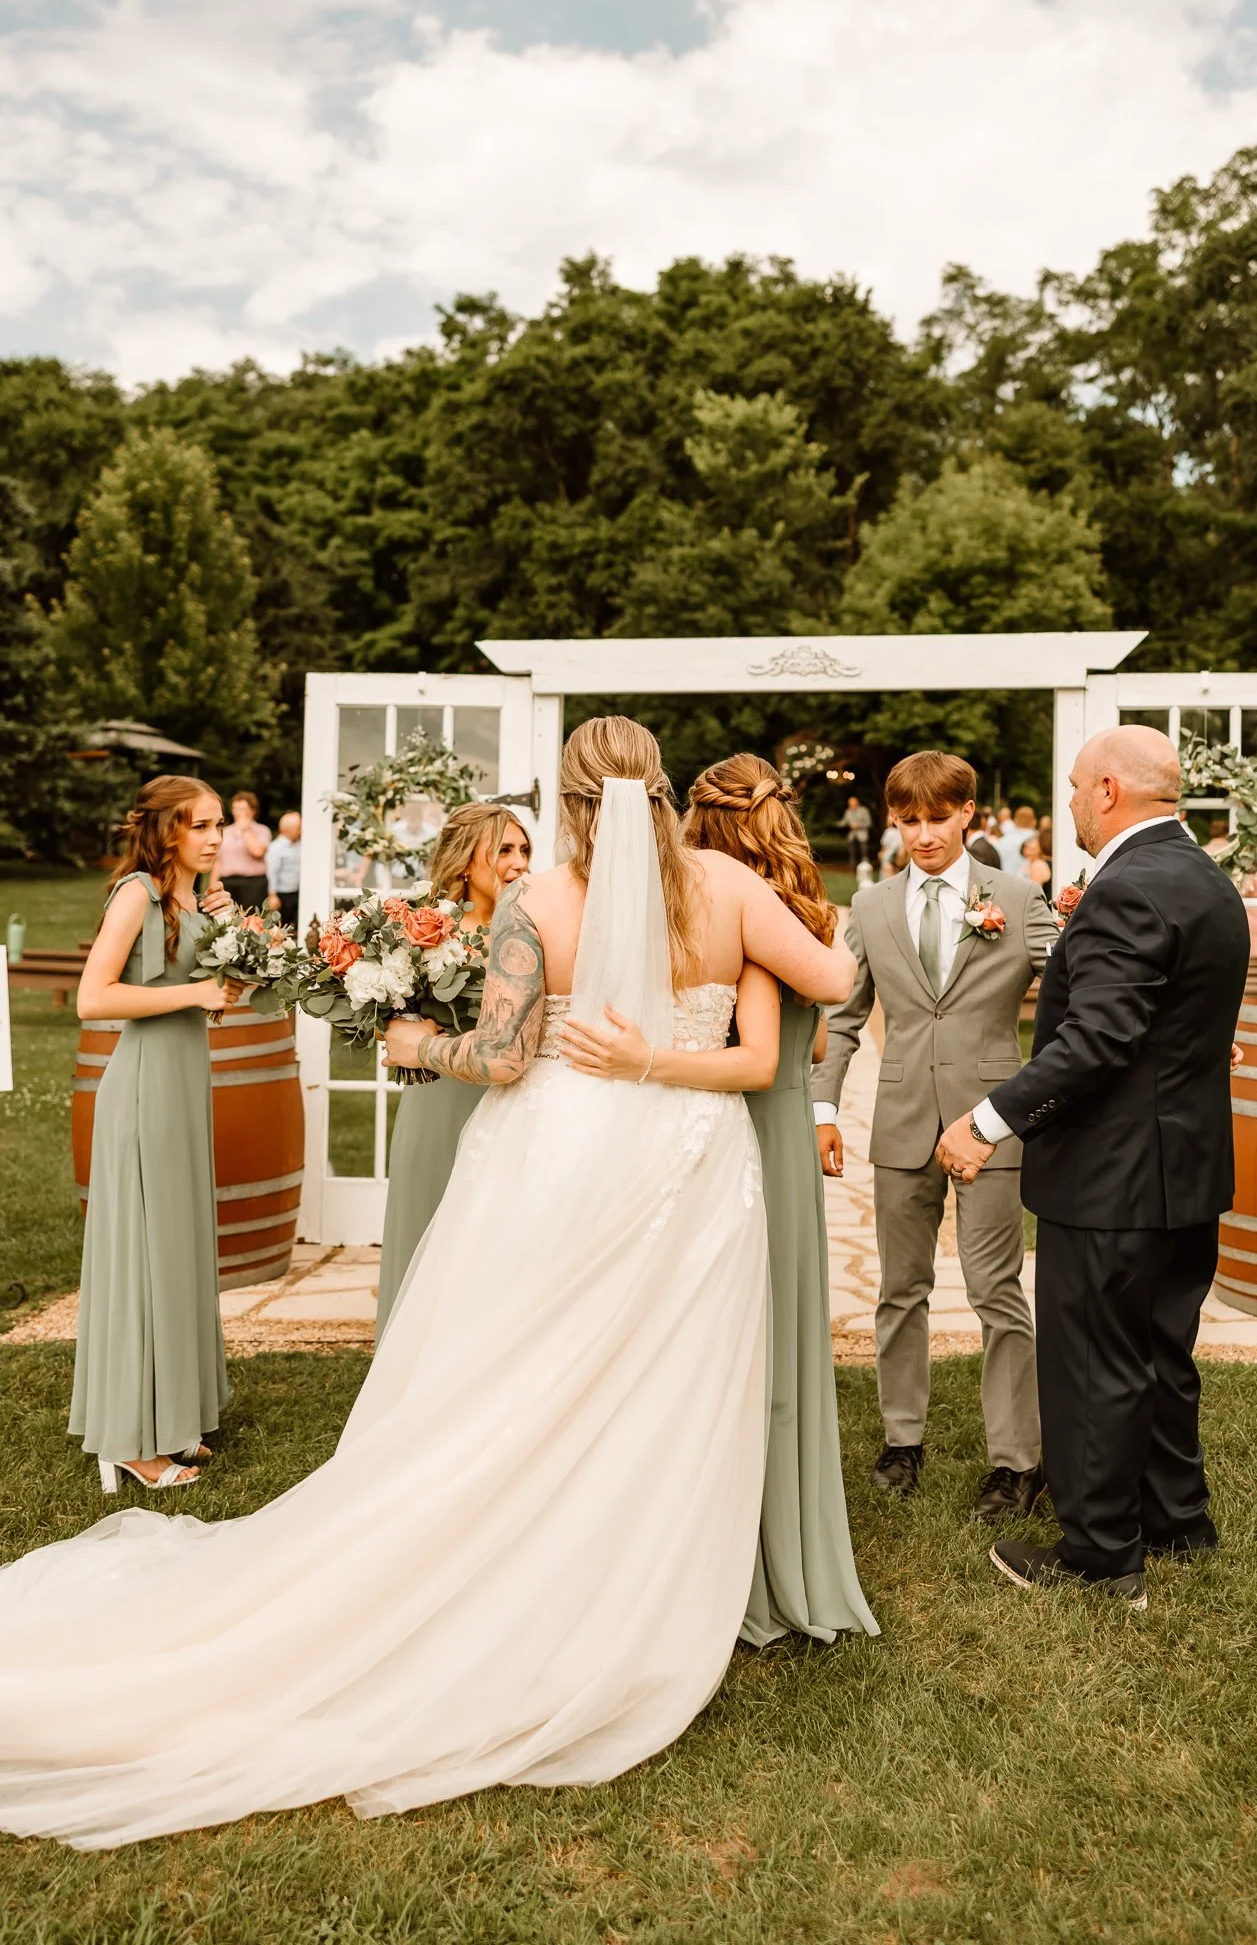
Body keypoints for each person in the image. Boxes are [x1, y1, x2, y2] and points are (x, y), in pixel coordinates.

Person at [0, 716, 856, 1850]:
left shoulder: (539, 902)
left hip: (560, 1152)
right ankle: (624, 1591)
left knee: (515, 1374)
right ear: (658, 788)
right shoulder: (726, 885)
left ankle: (510, 1571)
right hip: (693, 1160)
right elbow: (837, 975)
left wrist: (414, 1046)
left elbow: (501, 1057)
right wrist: (744, 960)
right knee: (660, 1377)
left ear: (569, 802)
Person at [937, 725, 1250, 1609]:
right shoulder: (1204, 880)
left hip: (1112, 1177)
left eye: (1075, 785)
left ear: (1108, 789)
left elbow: (1096, 1041)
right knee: (1160, 1351)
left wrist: (987, 1120)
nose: (1069, 799)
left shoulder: (1129, 889)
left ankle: (1101, 1555)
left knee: (1092, 1362)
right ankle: (1176, 1521)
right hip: (1183, 1169)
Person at [666, 752, 878, 1647]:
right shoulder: (782, 912)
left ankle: (723, 1553)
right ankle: (769, 1560)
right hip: (768, 1129)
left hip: (702, 1128)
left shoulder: (685, 907)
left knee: (714, 1342)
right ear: (774, 818)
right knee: (772, 1344)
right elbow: (827, 1007)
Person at [812, 752, 1057, 1523]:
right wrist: (823, 1109)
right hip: (899, 1124)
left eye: (936, 818)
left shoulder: (1017, 899)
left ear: (967, 817)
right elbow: (844, 1019)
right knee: (898, 1290)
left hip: (991, 1127)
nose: (922, 834)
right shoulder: (872, 905)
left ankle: (1015, 1462)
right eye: (907, 820)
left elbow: (1083, 990)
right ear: (892, 821)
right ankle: (900, 1438)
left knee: (995, 1292)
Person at [70, 778, 242, 1494]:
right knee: (144, 1254)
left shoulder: (195, 897)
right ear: (167, 830)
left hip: (182, 1087)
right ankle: (130, 1441)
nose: (214, 836)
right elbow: (93, 997)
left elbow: (214, 985)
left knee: (175, 1251)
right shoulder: (136, 893)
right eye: (200, 825)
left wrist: (234, 950)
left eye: (218, 824)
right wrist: (195, 993)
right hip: (143, 1091)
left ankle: (175, 1417)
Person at [375, 804, 532, 1337]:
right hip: (437, 1103)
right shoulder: (426, 932)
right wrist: (392, 1027)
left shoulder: (533, 931)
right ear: (468, 862)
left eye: (524, 850)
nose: (518, 863)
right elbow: (387, 1014)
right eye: (504, 850)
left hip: (510, 1101)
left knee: (495, 1242)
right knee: (427, 1226)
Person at [215, 791, 270, 908]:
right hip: (228, 882)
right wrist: (214, 886)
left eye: (242, 809)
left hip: (253, 884)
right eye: (236, 808)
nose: (238, 812)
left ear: (253, 810)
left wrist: (245, 830)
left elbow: (257, 852)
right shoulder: (225, 831)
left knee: (252, 921)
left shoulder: (262, 830)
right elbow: (218, 861)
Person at [264, 811, 302, 930]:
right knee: (282, 927)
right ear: (287, 829)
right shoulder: (276, 848)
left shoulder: (301, 844)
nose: (301, 830)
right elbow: (272, 872)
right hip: (283, 895)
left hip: (298, 892)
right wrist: (272, 895)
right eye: (298, 827)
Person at [994, 803, 1033, 874]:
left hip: (1005, 879)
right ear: (1034, 821)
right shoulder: (1037, 841)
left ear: (1015, 820)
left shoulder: (1002, 841)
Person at [840, 794, 873, 872]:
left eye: (853, 804)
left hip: (862, 835)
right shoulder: (848, 811)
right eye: (850, 804)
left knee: (864, 853)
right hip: (852, 835)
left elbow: (869, 823)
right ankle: (852, 868)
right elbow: (844, 821)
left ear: (857, 803)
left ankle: (865, 869)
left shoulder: (864, 810)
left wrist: (858, 825)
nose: (851, 805)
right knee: (852, 853)